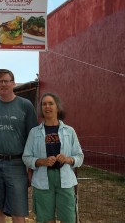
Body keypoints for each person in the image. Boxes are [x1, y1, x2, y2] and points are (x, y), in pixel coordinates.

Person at [0, 69, 38, 223]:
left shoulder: (25, 105)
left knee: (18, 211)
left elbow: (33, 138)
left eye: (6, 81)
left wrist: (31, 169)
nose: (3, 84)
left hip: (16, 163)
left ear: (14, 83)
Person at [22, 93, 84, 223]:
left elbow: (79, 156)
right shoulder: (34, 132)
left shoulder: (69, 131)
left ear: (58, 107)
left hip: (65, 179)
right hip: (42, 180)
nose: (47, 106)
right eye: (44, 104)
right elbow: (26, 157)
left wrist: (68, 159)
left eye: (51, 103)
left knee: (68, 218)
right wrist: (41, 161)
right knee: (46, 219)